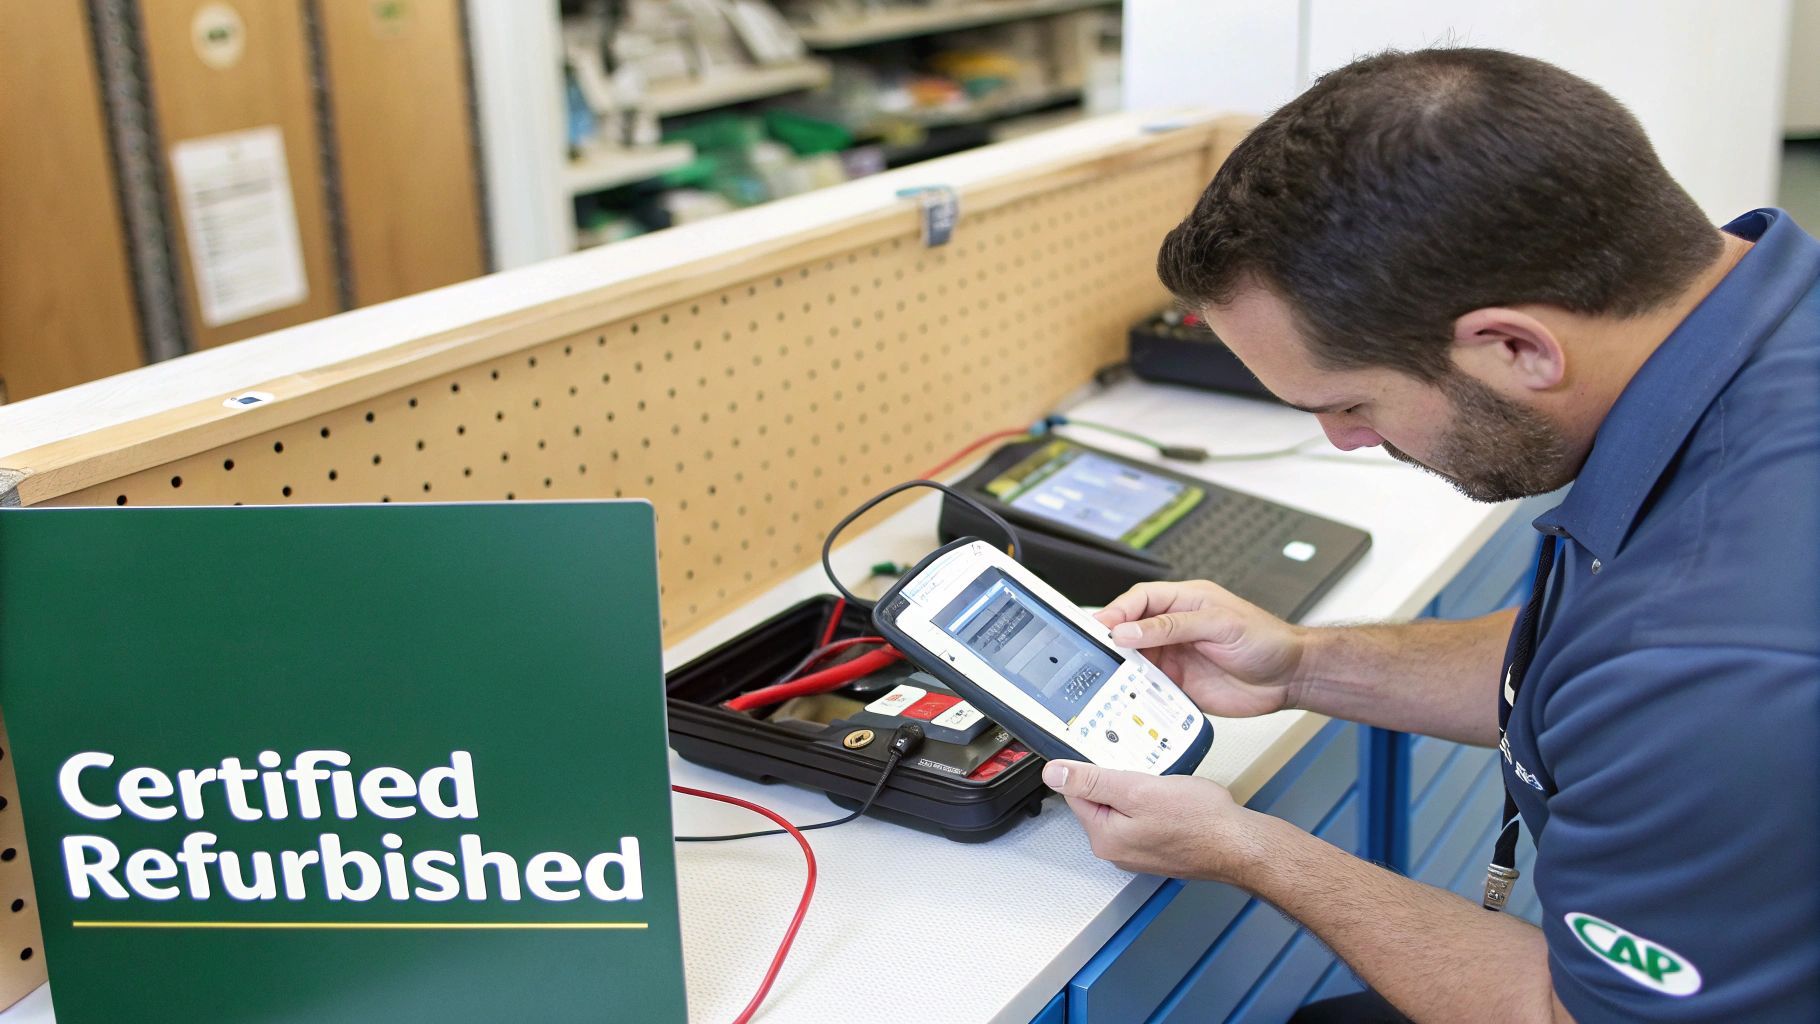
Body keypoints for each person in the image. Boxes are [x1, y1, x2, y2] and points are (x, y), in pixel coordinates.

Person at [1041, 47, 1820, 1023]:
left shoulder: (1717, 651)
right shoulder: (1769, 319)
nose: (1345, 441)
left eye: (1351, 402)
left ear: (1513, 347)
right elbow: (1592, 661)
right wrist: (1297, 663)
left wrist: (1251, 846)